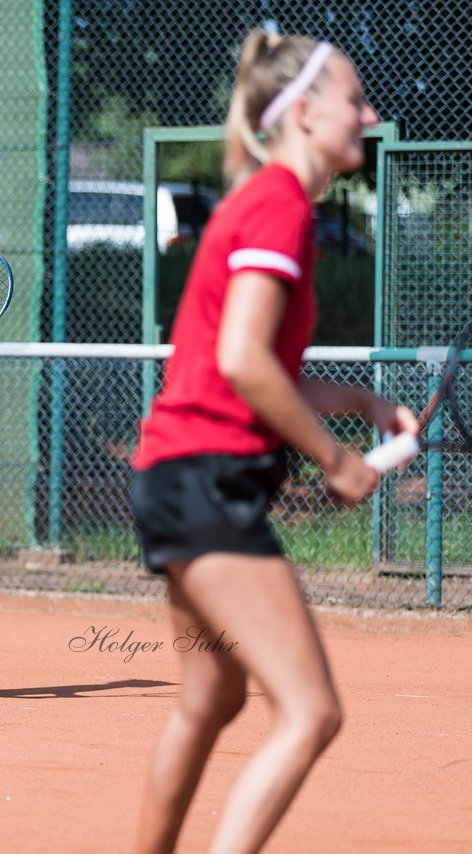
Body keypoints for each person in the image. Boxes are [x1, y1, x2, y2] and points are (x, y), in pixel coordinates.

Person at [128, 31, 418, 852]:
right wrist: (338, 460)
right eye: (353, 100)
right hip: (205, 482)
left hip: (178, 477)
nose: (369, 113)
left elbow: (260, 368)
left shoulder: (273, 202)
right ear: (301, 115)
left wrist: (362, 402)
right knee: (312, 711)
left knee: (211, 698)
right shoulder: (279, 204)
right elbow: (243, 361)